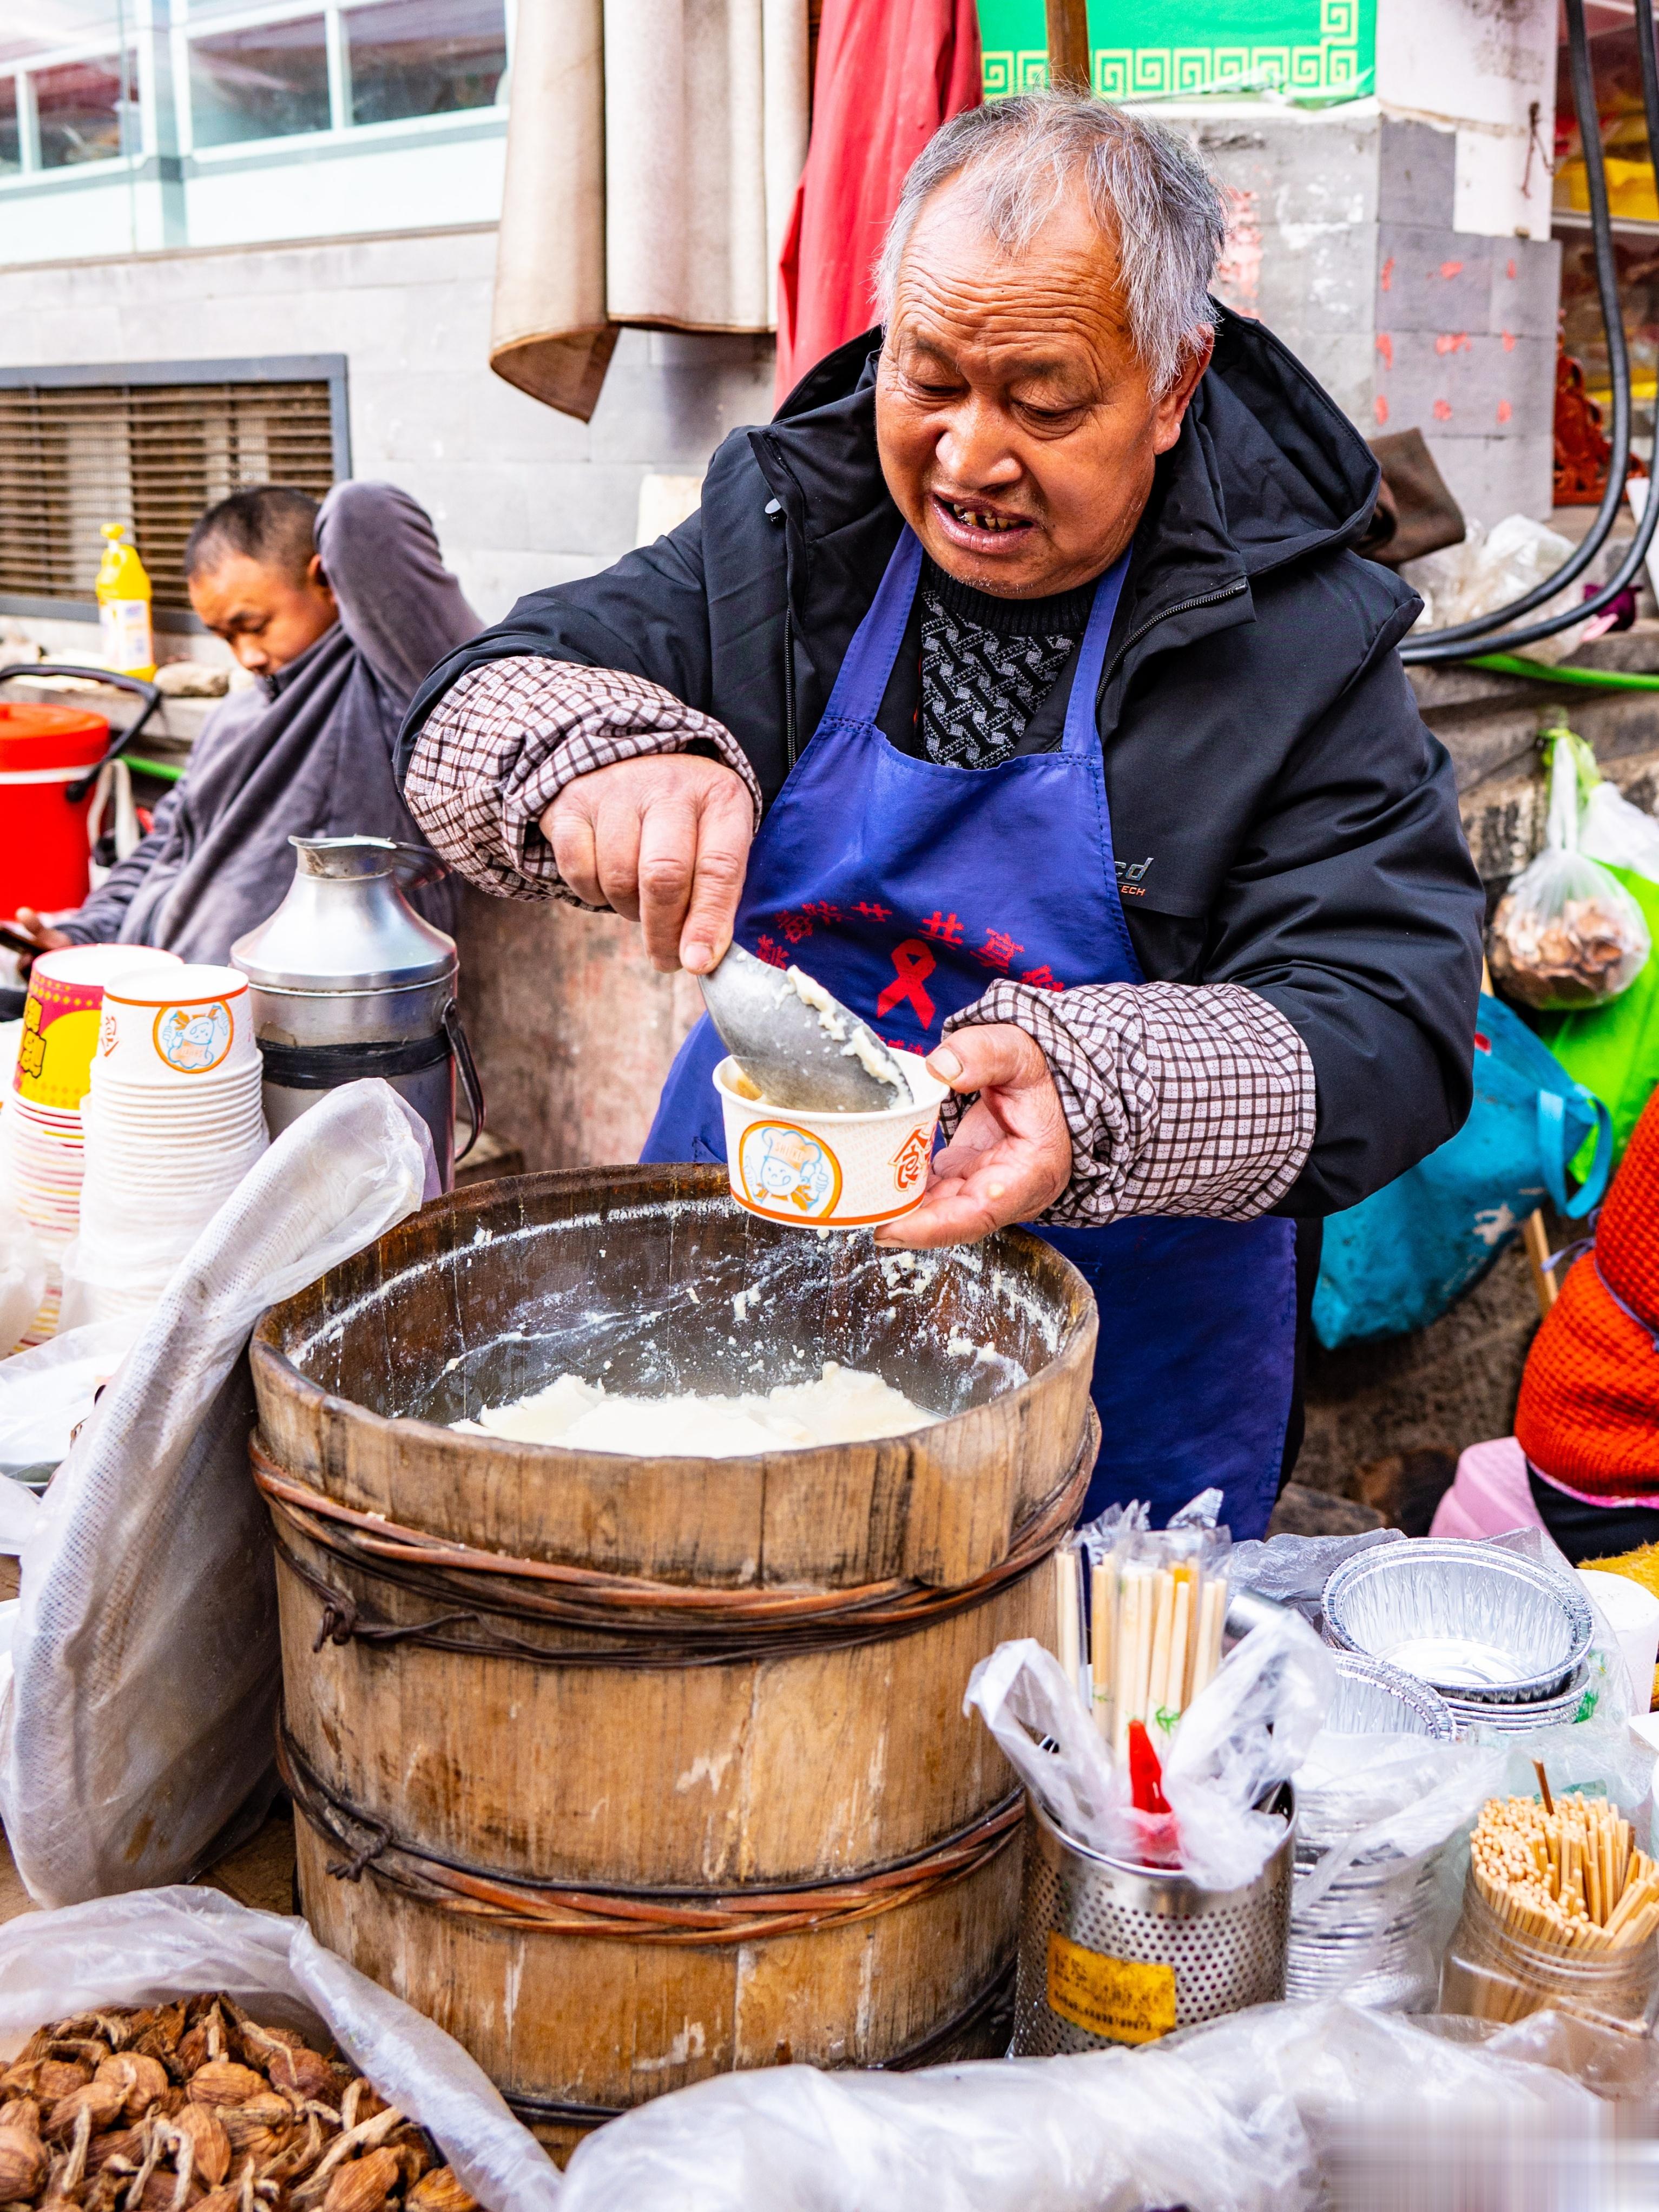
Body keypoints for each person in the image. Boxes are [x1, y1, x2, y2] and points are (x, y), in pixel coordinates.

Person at [396, 93, 1485, 1538]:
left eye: (1044, 403)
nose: (969, 458)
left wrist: (1097, 1090)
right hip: (751, 1246)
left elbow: (1394, 1015)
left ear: (1173, 384)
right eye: (931, 381)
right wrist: (591, 756)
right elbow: (483, 693)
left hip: (1120, 1348)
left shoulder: (1302, 638)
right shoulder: (795, 529)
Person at [12, 482, 478, 964]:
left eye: (254, 627)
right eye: (226, 638)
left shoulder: (394, 689)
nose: (247, 656)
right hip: (164, 992)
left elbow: (362, 513)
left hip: (305, 1005)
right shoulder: (228, 721)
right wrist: (83, 935)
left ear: (326, 580)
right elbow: (166, 845)